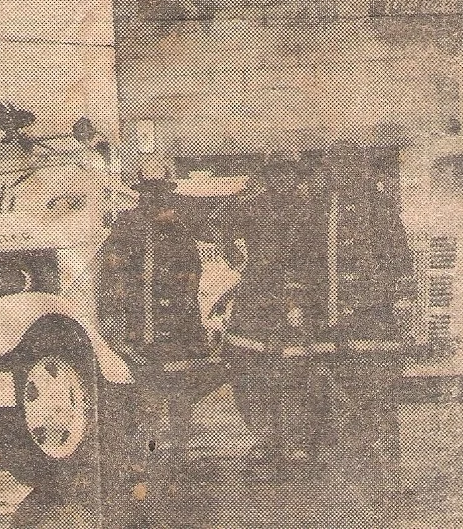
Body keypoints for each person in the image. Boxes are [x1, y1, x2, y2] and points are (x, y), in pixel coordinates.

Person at [97, 155, 226, 522]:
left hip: (178, 332)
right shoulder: (126, 227)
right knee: (145, 402)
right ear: (139, 194)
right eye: (147, 192)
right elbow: (113, 278)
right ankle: (145, 469)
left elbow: (191, 277)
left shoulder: (180, 229)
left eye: (160, 191)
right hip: (139, 334)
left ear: (169, 192)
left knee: (181, 399)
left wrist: (185, 319)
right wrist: (119, 325)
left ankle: (178, 462)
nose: (154, 198)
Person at [211, 152, 328, 480]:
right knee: (247, 369)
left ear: (295, 175)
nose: (281, 179)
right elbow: (218, 222)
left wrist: (302, 298)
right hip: (255, 299)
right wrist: (230, 249)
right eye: (274, 172)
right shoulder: (253, 205)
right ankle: (265, 440)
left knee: (297, 371)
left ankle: (298, 443)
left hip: (299, 297)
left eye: (286, 172)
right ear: (266, 175)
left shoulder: (310, 209)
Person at [314, 140, 415, 495]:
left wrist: (401, 319)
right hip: (333, 332)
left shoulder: (381, 209)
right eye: (333, 167)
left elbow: (401, 265)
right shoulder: (320, 210)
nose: (338, 174)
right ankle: (355, 488)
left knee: (380, 407)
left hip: (376, 330)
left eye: (345, 166)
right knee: (341, 408)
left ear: (359, 169)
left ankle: (391, 481)